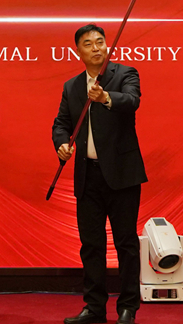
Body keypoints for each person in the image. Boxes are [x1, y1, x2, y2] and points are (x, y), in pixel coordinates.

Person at [52, 24, 147, 324]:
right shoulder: (72, 86)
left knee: (126, 243)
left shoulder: (125, 74)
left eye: (100, 41)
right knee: (91, 245)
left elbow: (132, 101)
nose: (96, 47)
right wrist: (61, 144)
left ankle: (128, 306)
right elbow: (61, 124)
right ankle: (94, 307)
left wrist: (105, 97)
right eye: (88, 43)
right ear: (78, 51)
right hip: (88, 176)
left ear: (107, 45)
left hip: (122, 175)